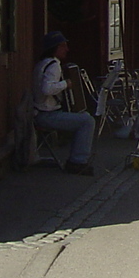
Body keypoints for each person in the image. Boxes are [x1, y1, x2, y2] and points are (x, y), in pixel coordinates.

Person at [33, 32, 95, 175]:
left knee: (83, 117)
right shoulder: (53, 65)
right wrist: (66, 84)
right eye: (63, 46)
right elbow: (47, 88)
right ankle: (77, 162)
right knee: (87, 121)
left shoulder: (42, 64)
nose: (66, 49)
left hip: (39, 112)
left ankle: (77, 157)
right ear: (55, 48)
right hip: (46, 115)